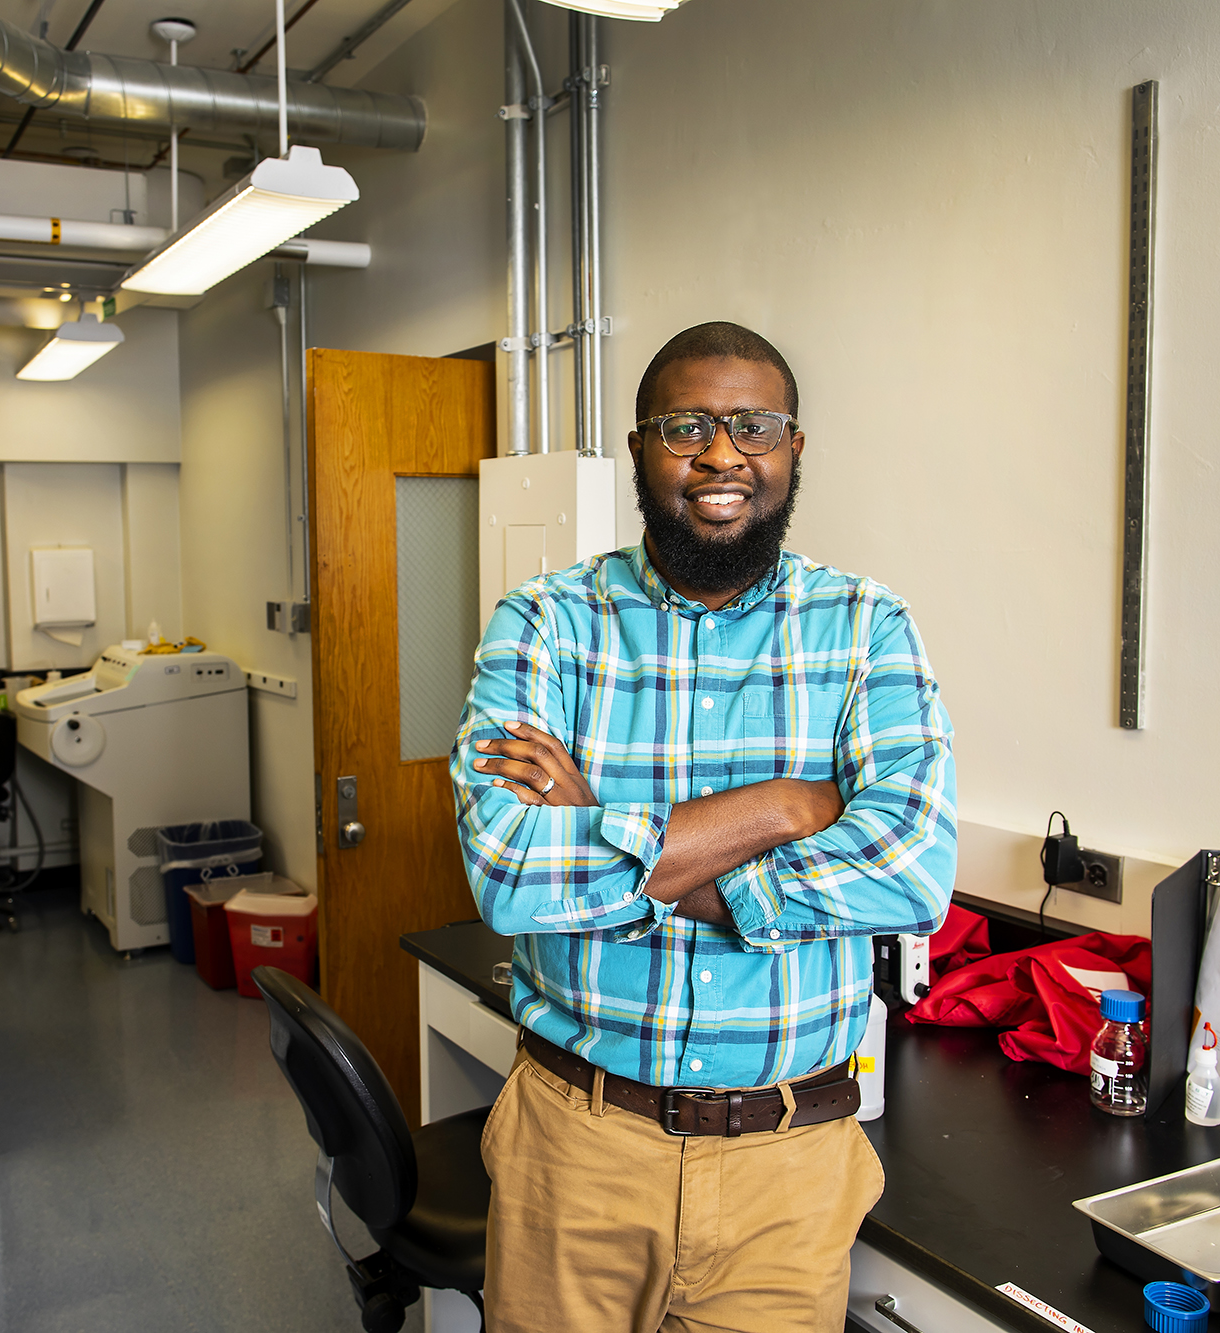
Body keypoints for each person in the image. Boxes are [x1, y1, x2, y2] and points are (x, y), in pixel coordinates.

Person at [449, 321, 959, 1332]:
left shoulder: (864, 626)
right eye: (684, 426)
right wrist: (779, 808)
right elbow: (508, 870)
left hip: (787, 1167)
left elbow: (911, 873)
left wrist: (597, 825)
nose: (720, 454)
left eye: (752, 426)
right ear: (640, 447)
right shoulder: (547, 620)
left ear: (793, 448)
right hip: (575, 1147)